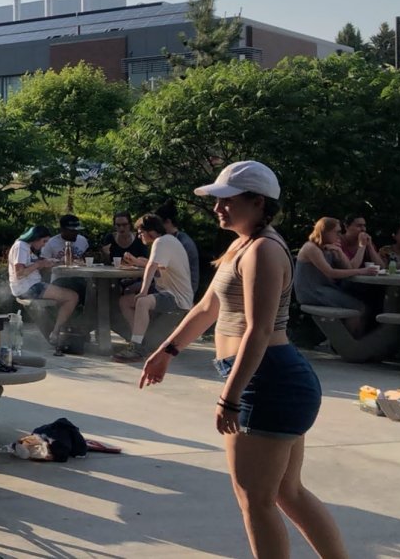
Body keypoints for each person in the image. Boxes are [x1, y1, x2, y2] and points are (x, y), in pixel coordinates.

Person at [139, 161, 347, 559]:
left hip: (268, 382)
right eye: (217, 200)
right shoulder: (241, 244)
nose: (218, 208)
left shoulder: (263, 251)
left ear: (257, 202)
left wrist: (229, 397)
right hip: (268, 380)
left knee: (256, 500)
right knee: (286, 492)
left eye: (227, 201)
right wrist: (166, 351)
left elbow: (259, 330)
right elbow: (206, 308)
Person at [114, 214, 194, 362]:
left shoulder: (161, 242)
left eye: (140, 233)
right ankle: (140, 341)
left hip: (177, 298)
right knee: (125, 301)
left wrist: (143, 292)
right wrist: (138, 262)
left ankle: (136, 348)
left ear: (150, 231)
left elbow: (152, 267)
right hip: (168, 293)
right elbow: (160, 266)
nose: (139, 236)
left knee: (142, 302)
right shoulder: (168, 240)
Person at [294, 217, 376, 338]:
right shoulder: (311, 248)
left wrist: (342, 251)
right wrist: (362, 271)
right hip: (312, 291)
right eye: (336, 232)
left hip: (326, 289)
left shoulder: (330, 247)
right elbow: (330, 272)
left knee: (363, 305)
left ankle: (351, 342)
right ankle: (348, 343)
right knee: (359, 308)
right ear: (325, 232)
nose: (339, 235)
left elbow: (350, 267)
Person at [7, 225, 79, 345]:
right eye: (44, 241)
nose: (44, 245)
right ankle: (55, 333)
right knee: (72, 296)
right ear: (36, 238)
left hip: (30, 286)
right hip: (28, 288)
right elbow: (19, 273)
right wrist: (40, 264)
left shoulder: (26, 247)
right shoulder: (21, 246)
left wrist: (48, 263)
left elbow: (30, 264)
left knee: (68, 293)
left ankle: (59, 330)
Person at [154, 200, 201, 298]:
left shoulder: (183, 243)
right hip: (171, 288)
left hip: (181, 293)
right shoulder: (172, 239)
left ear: (168, 222)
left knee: (136, 300)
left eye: (158, 225)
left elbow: (162, 269)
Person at [41, 214, 89, 302]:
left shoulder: (82, 240)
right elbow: (43, 268)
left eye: (77, 230)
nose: (76, 233)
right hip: (60, 279)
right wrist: (60, 263)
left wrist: (81, 261)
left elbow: (85, 259)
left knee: (92, 289)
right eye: (72, 231)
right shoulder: (50, 244)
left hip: (80, 277)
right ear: (62, 230)